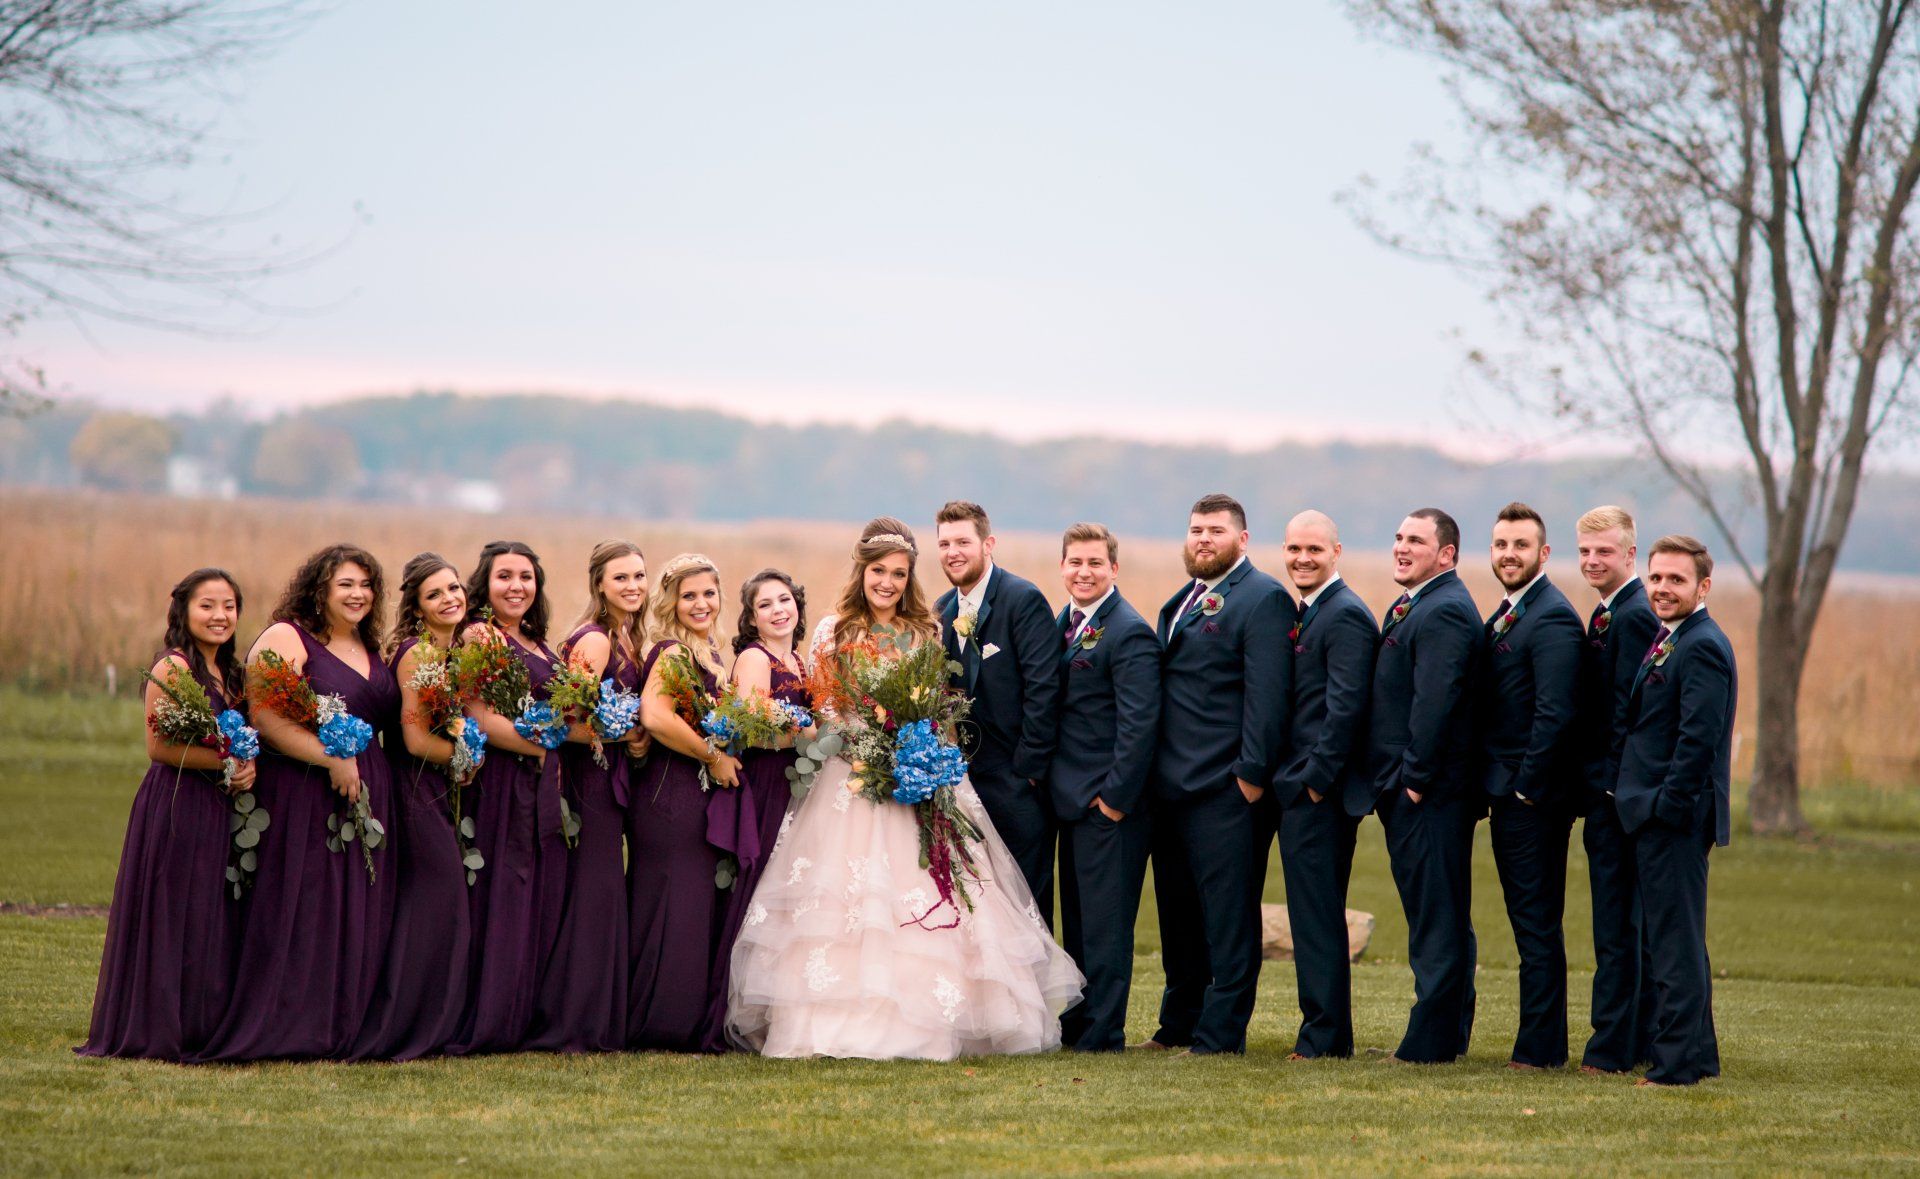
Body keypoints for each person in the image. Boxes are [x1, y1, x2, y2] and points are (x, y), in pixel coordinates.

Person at [727, 518, 1082, 1060]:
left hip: (917, 774)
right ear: (861, 572)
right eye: (878, 571)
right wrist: (861, 745)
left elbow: (937, 705)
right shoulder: (834, 630)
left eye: (898, 573)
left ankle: (933, 1023)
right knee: (848, 898)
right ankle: (835, 1022)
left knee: (936, 890)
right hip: (851, 775)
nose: (887, 582)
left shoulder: (926, 629)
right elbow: (824, 707)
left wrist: (927, 756)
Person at [194, 544, 398, 1061]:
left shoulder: (370, 645)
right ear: (319, 588)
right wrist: (331, 759)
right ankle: (290, 1024)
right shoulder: (287, 637)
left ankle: (342, 1024)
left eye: (366, 585)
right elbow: (266, 717)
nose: (357, 594)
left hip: (368, 789)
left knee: (354, 905)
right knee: (306, 905)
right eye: (345, 584)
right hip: (304, 791)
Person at [78, 568, 257, 1061]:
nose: (220, 616)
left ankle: (203, 1022)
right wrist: (228, 763)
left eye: (229, 606)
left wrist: (249, 764)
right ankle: (159, 1025)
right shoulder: (174, 667)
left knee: (210, 913)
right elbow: (159, 747)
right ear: (183, 610)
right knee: (175, 910)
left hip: (222, 807)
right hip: (180, 803)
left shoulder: (232, 672)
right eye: (207, 605)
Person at [1141, 493, 1291, 1056]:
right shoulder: (1183, 599)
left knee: (1228, 920)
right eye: (1196, 530)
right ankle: (1177, 1024)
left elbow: (1268, 696)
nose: (1204, 539)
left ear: (1242, 539)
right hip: (1173, 789)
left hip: (1226, 791)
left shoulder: (1263, 598)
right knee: (1179, 917)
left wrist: (1250, 776)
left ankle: (1221, 1032)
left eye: (1216, 531)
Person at [1357, 509, 1482, 1064]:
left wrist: (1413, 780)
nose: (1401, 547)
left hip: (1429, 796)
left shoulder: (1446, 609)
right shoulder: (1418, 602)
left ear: (1447, 554)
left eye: (1416, 540)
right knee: (1439, 915)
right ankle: (1447, 1035)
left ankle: (1429, 1044)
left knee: (1437, 921)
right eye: (1398, 537)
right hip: (1416, 791)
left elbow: (1437, 700)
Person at [1614, 535, 1735, 1087]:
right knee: (1679, 939)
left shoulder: (1702, 645)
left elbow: (1697, 740)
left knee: (1673, 947)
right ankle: (1699, 1055)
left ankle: (1676, 1065)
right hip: (1659, 813)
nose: (1662, 588)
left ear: (1703, 586)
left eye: (1676, 580)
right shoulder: (1674, 637)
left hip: (1675, 819)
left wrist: (1665, 807)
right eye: (1656, 577)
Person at [527, 540, 651, 1053]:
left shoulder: (626, 637)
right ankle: (575, 1021)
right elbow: (561, 722)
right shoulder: (596, 640)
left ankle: (600, 1016)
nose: (633, 586)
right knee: (594, 893)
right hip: (590, 781)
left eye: (639, 576)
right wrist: (621, 735)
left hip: (609, 775)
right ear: (599, 583)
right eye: (621, 577)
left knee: (603, 892)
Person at [351, 553, 476, 1061]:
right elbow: (415, 739)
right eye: (434, 594)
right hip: (413, 787)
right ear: (417, 607)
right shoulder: (419, 654)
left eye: (454, 588)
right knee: (435, 901)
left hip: (437, 787)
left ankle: (433, 1021)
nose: (449, 599)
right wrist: (465, 757)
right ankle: (402, 1028)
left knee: (439, 904)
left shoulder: (452, 650)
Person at [449, 541, 569, 1055]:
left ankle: (523, 1013)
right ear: (485, 583)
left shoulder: (539, 643)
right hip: (501, 781)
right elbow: (477, 714)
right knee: (503, 892)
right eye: (504, 576)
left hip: (537, 782)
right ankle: (490, 1017)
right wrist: (543, 751)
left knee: (534, 893)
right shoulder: (480, 635)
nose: (516, 586)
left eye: (526, 576)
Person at [1475, 502, 1583, 1069]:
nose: (1508, 554)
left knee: (1537, 925)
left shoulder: (1553, 618)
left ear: (1543, 553)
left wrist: (1525, 788)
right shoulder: (1514, 611)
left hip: (1533, 802)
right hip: (1509, 793)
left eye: (1520, 545)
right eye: (1501, 545)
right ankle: (1538, 1043)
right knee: (1526, 923)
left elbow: (1556, 712)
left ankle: (1540, 1050)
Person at [1266, 510, 1376, 1060]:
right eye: (1294, 549)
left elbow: (1345, 710)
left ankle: (1325, 1039)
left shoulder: (1345, 614)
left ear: (1336, 551)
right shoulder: (1312, 610)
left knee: (1317, 918)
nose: (1302, 559)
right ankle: (1325, 1033)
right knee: (1311, 915)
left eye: (1314, 549)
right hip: (1305, 790)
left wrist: (1313, 782)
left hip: (1321, 796)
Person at [1048, 523, 1159, 1052]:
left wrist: (1113, 801)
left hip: (1109, 807)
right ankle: (1078, 1025)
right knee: (1079, 924)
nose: (1084, 572)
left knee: (1106, 927)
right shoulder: (1065, 622)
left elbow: (1140, 725)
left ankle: (1103, 1032)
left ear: (1113, 568)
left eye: (1095, 563)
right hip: (1073, 802)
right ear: (1062, 566)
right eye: (1075, 562)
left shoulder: (1129, 631)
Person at [627, 553, 739, 1051]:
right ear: (670, 602)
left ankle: (683, 1018)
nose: (700, 604)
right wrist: (712, 756)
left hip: (691, 794)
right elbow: (654, 716)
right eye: (687, 595)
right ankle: (658, 1022)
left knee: (689, 904)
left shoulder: (708, 651)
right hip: (669, 793)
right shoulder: (673, 652)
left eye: (708, 593)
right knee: (672, 902)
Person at [703, 568, 813, 1051]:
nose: (778, 610)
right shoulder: (754, 657)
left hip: (796, 784)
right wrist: (813, 737)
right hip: (766, 783)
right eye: (764, 604)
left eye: (784, 600)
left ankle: (778, 1007)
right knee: (759, 888)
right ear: (750, 618)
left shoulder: (799, 660)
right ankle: (732, 1011)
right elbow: (751, 728)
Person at [933, 501, 1061, 918]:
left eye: (963, 542)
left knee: (1027, 905)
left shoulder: (1022, 600)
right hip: (962, 786)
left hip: (1015, 783)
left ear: (988, 544)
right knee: (978, 908)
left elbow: (1044, 688)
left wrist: (1028, 771)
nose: (953, 552)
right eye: (944, 544)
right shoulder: (941, 610)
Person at [1572, 505, 1661, 1074]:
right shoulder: (1607, 612)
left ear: (1630, 554)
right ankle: (1635, 1041)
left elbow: (1631, 711)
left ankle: (1611, 1047)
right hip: (1611, 791)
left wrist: (1608, 787)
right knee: (1622, 923)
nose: (1592, 560)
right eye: (1585, 551)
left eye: (1603, 551)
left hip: (1617, 797)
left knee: (1617, 926)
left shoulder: (1632, 616)